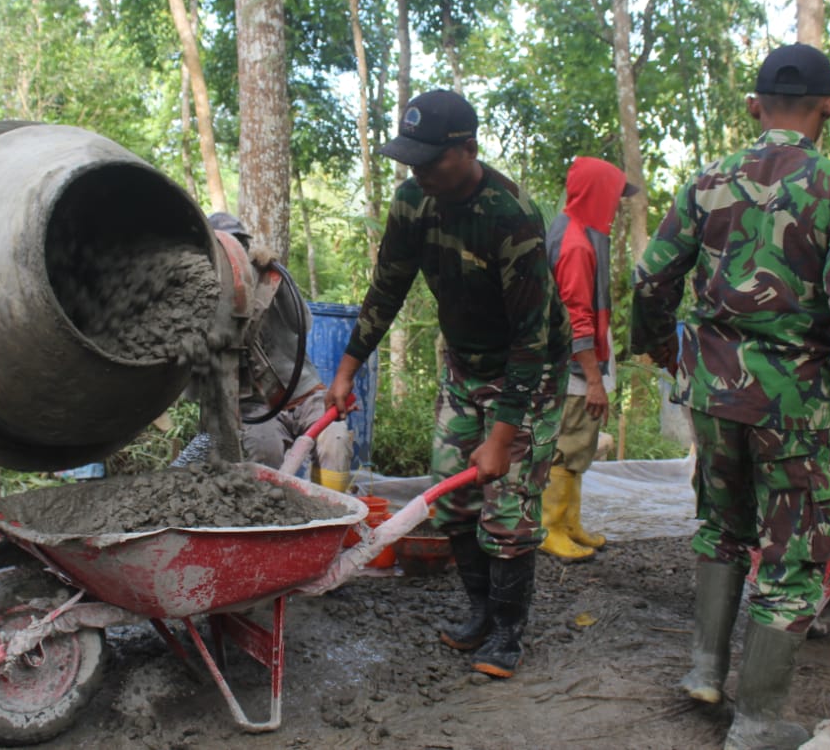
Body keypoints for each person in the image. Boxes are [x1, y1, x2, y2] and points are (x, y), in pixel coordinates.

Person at [630, 43, 830, 750]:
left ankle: (705, 668)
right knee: (794, 548)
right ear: (828, 104)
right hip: (792, 400)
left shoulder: (708, 182)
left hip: (713, 391)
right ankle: (756, 722)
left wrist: (660, 346)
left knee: (722, 523)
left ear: (754, 106)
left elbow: (651, 277)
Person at [323, 89, 570, 680]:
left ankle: (507, 631)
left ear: (468, 150)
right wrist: (348, 368)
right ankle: (480, 611)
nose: (419, 172)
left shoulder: (510, 216)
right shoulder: (414, 202)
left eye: (431, 160)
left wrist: (502, 435)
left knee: (507, 502)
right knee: (450, 494)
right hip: (464, 364)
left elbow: (531, 338)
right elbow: (388, 286)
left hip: (527, 371)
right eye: (413, 160)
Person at [207, 212, 353, 491]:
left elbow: (302, 325)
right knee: (264, 454)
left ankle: (332, 506)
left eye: (237, 244)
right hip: (256, 408)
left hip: (306, 395)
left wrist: (280, 280)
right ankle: (270, 510)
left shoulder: (268, 277)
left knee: (335, 441)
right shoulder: (203, 295)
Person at [541, 157, 638, 562]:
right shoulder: (577, 245)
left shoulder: (574, 230)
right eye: (614, 197)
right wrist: (594, 380)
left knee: (578, 445)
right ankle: (550, 528)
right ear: (598, 195)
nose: (616, 206)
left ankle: (569, 523)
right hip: (575, 370)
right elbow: (576, 319)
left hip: (576, 366)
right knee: (567, 446)